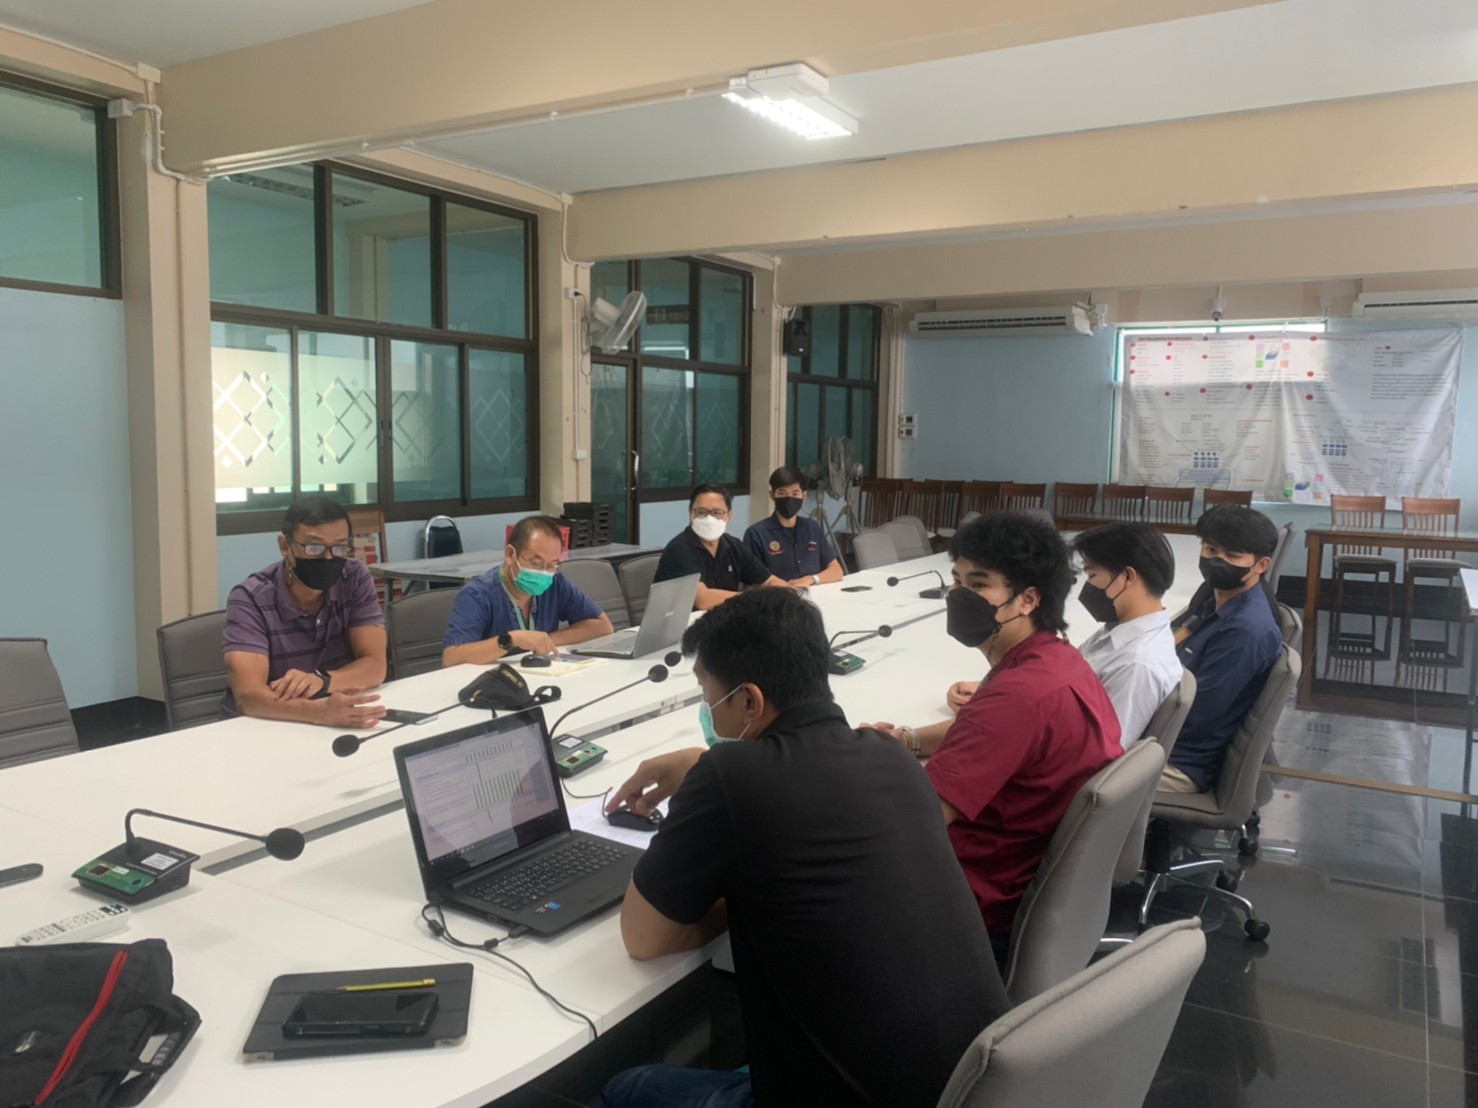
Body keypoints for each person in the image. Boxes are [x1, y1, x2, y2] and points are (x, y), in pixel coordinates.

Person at [598, 588, 1006, 1108]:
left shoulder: (730, 776)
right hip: (975, 1084)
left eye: (707, 692)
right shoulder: (891, 756)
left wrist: (750, 892)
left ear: (749, 700)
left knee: (626, 1088)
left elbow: (644, 939)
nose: (707, 709)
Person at [863, 512, 1120, 951]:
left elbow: (913, 819)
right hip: (1022, 872)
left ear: (1027, 599)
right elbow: (983, 730)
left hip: (968, 896)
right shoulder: (1058, 661)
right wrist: (907, 739)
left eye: (978, 584)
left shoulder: (1015, 698)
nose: (959, 595)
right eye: (957, 580)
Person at [940, 522, 1182, 748]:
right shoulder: (1118, 632)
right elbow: (1066, 684)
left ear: (1127, 577)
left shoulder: (1137, 665)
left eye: (1092, 575)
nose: (1087, 586)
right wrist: (996, 690)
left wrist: (1004, 705)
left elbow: (1104, 752)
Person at [222, 495, 388, 728]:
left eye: (339, 547)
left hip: (332, 713)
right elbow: (249, 696)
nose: (328, 557)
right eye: (314, 548)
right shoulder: (250, 597)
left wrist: (321, 681)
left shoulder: (353, 577)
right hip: (262, 724)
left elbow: (375, 665)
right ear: (285, 546)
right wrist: (319, 713)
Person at [1161, 504, 1282, 793]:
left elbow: (1196, 716)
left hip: (1176, 761)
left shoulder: (1244, 631)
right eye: (1211, 550)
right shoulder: (1215, 599)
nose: (1218, 561)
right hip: (1163, 743)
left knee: (1066, 770)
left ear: (1261, 565)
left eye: (1233, 555)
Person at [442, 515, 613, 665]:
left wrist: (545, 640)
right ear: (510, 555)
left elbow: (603, 626)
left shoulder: (555, 583)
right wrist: (513, 639)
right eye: (536, 563)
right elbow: (451, 658)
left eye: (552, 565)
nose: (543, 572)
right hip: (495, 682)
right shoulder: (477, 594)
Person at [653, 484, 786, 610]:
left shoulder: (734, 546)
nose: (709, 519)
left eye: (717, 513)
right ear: (691, 514)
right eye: (701, 512)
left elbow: (770, 581)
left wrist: (786, 593)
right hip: (682, 624)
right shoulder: (679, 549)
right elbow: (703, 600)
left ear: (729, 516)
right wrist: (755, 599)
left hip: (722, 619)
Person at [741, 466, 844, 587]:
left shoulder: (812, 527)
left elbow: (836, 571)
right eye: (782, 493)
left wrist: (811, 579)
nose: (789, 498)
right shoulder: (756, 533)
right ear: (772, 495)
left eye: (795, 493)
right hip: (777, 596)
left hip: (813, 593)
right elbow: (752, 579)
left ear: (804, 495)